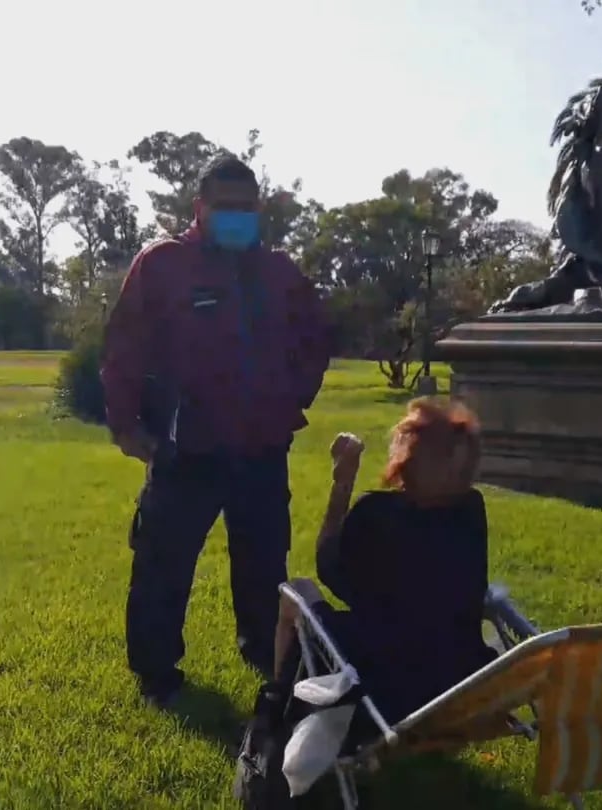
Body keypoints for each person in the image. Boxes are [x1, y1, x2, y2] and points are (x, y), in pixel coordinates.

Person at [101, 154, 331, 707]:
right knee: (164, 563)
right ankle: (157, 673)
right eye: (224, 207)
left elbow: (315, 343)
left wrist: (289, 401)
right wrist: (127, 427)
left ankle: (263, 652)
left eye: (246, 208)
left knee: (263, 562)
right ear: (199, 208)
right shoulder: (162, 265)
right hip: (187, 449)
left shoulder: (279, 272)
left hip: (261, 448)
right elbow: (123, 350)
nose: (236, 217)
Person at [272, 398, 497, 725]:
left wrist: (343, 482)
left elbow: (328, 567)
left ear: (409, 457)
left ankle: (277, 713)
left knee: (296, 593)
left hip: (381, 685)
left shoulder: (376, 513)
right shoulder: (471, 511)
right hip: (455, 681)